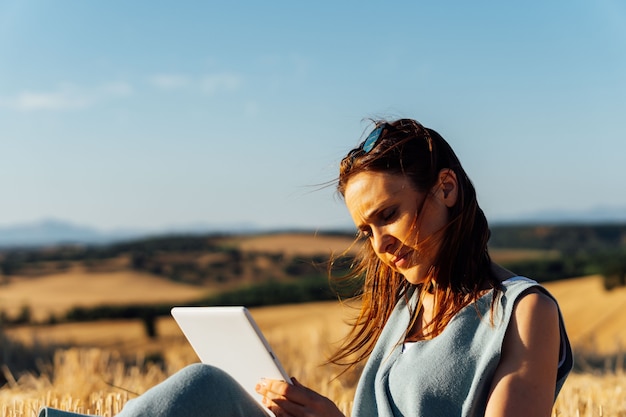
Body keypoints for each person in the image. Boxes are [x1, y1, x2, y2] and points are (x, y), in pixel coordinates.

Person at [40, 118, 573, 417]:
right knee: (204, 386)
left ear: (446, 188)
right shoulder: (410, 306)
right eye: (367, 230)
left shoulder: (524, 311)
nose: (380, 244)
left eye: (388, 215)